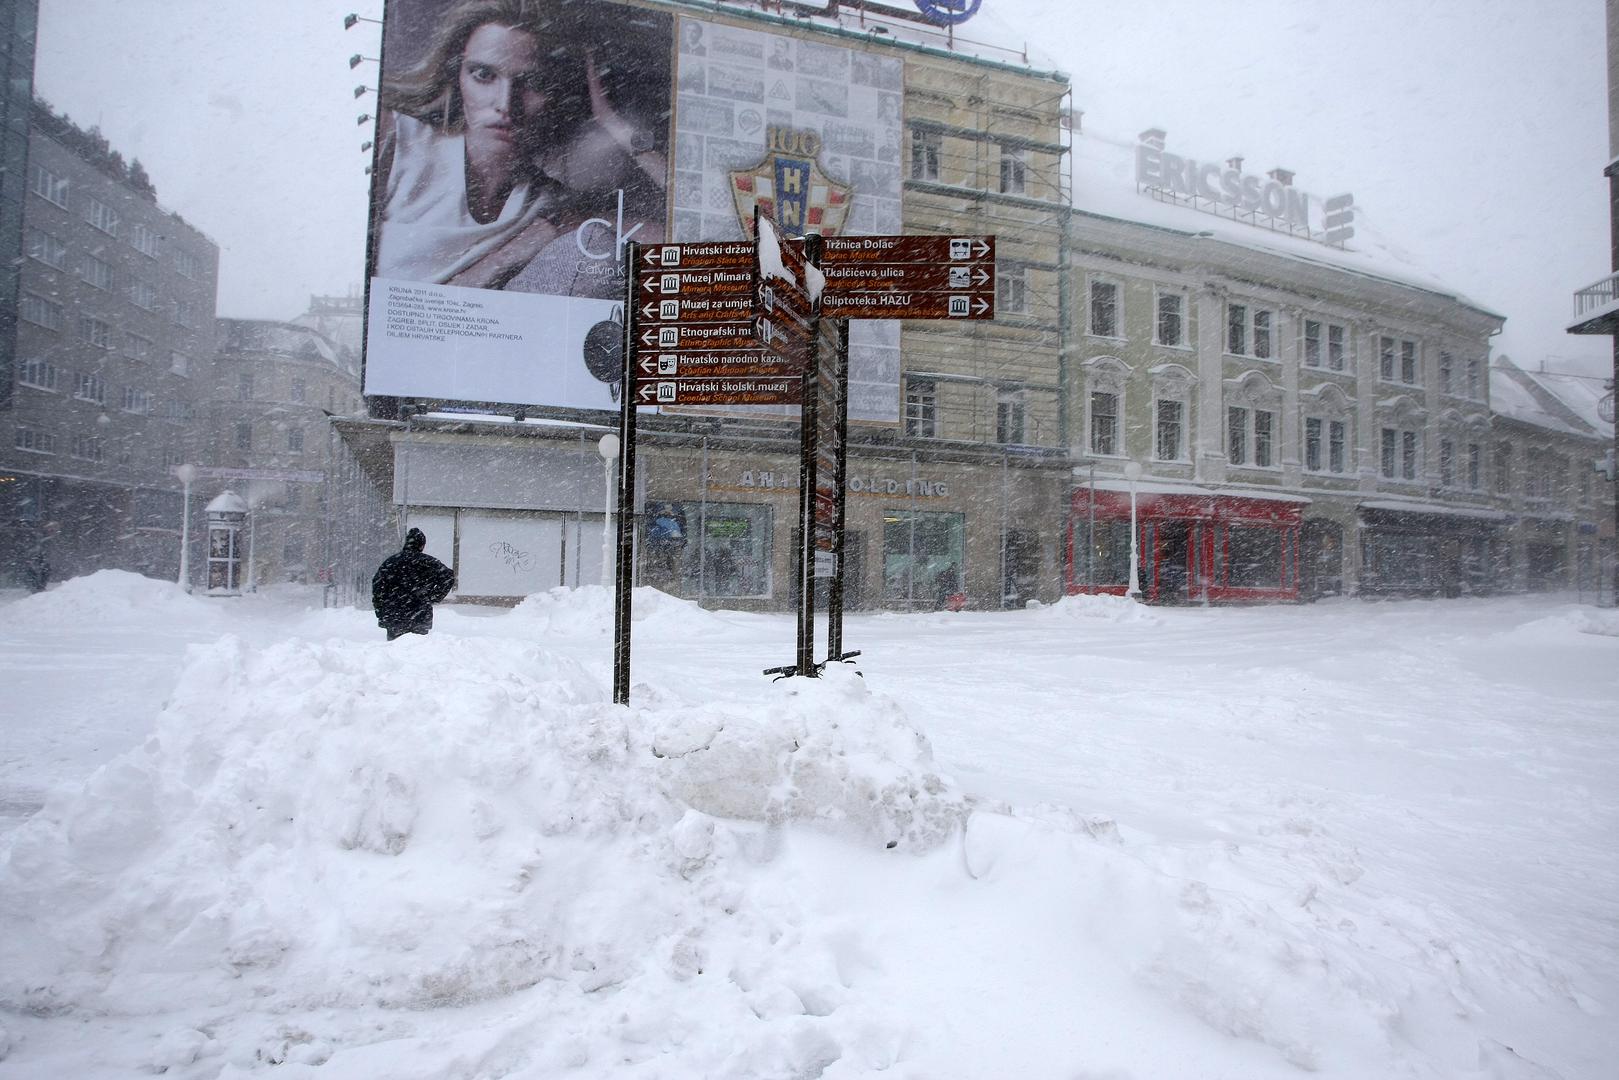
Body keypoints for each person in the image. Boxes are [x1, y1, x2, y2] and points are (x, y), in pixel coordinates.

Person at [373, 0, 668, 294]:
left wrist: (615, 123)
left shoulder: (550, 207)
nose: (505, 104)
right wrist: (501, 260)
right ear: (456, 76)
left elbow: (687, 239)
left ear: (555, 94)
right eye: (484, 75)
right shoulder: (398, 140)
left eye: (531, 82)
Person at [372, 528, 456, 641]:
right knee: (418, 651)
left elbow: (378, 587)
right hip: (420, 614)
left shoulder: (391, 562)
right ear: (422, 545)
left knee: (394, 652)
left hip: (394, 615)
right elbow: (448, 575)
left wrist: (380, 611)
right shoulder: (427, 562)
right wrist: (434, 596)